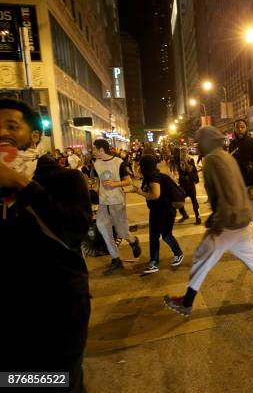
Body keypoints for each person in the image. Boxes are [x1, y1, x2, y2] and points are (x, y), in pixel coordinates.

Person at [0, 98, 91, 392]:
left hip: (58, 309)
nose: (2, 132)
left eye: (12, 126)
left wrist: (22, 184)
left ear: (35, 136)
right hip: (11, 314)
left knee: (58, 382)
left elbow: (73, 232)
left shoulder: (65, 178)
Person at [163, 126, 253, 316]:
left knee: (202, 257)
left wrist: (219, 221)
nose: (197, 146)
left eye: (199, 142)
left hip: (228, 221)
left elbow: (228, 192)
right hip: (238, 217)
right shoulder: (224, 157)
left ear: (206, 142)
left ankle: (187, 302)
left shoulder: (214, 160)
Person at [92, 139, 141, 274]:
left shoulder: (118, 162)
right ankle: (116, 259)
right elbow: (97, 183)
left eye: (94, 149)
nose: (93, 151)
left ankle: (133, 241)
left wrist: (115, 184)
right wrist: (94, 189)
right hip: (103, 203)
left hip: (117, 202)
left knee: (121, 231)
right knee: (102, 227)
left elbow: (128, 181)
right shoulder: (96, 164)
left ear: (101, 150)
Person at [132, 155, 184, 274]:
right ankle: (154, 262)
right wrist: (135, 190)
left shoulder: (154, 177)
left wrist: (139, 192)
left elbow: (155, 195)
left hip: (165, 211)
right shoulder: (148, 177)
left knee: (166, 235)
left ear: (146, 165)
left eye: (141, 164)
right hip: (156, 210)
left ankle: (178, 253)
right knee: (153, 236)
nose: (139, 166)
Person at [229, 119, 253, 249]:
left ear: (246, 128)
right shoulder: (232, 144)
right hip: (239, 186)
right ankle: (245, 242)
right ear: (234, 129)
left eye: (242, 127)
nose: (240, 129)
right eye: (237, 127)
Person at [177, 146, 201, 225]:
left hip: (190, 184)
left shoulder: (190, 160)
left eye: (185, 151)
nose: (183, 152)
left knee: (194, 201)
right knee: (179, 200)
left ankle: (198, 217)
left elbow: (190, 170)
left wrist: (185, 161)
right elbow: (179, 172)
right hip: (183, 185)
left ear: (187, 152)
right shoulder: (179, 161)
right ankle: (184, 215)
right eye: (182, 151)